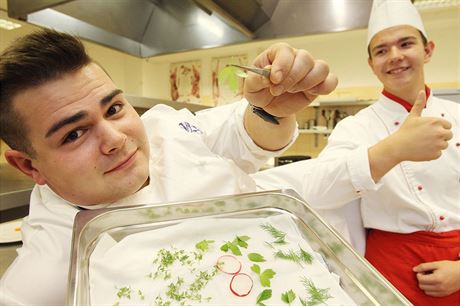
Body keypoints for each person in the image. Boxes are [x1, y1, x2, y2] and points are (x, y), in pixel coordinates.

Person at [0, 29, 337, 305]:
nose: (115, 139)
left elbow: (246, 130)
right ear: (30, 167)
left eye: (114, 108)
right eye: (74, 134)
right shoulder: (44, 278)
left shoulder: (166, 129)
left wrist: (271, 107)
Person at [298, 0, 460, 305]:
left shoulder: (458, 115)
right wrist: (392, 150)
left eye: (405, 43)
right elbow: (316, 191)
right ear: (371, 63)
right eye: (381, 50)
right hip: (391, 270)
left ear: (428, 50)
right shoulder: (355, 128)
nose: (395, 56)